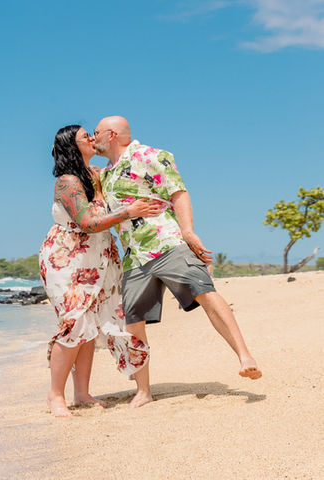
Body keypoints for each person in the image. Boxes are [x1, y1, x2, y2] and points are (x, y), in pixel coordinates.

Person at [93, 115, 261, 409]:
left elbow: (179, 193)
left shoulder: (153, 155)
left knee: (205, 292)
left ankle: (245, 356)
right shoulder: (105, 175)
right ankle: (143, 390)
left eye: (96, 134)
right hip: (135, 256)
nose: (93, 139)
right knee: (133, 321)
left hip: (167, 241)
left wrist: (188, 232)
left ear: (111, 134)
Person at [38, 125, 164, 417]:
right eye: (86, 136)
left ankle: (81, 393)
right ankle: (55, 395)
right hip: (67, 258)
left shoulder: (96, 174)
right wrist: (129, 213)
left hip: (100, 258)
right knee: (75, 322)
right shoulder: (67, 182)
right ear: (72, 145)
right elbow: (87, 222)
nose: (92, 139)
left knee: (90, 325)